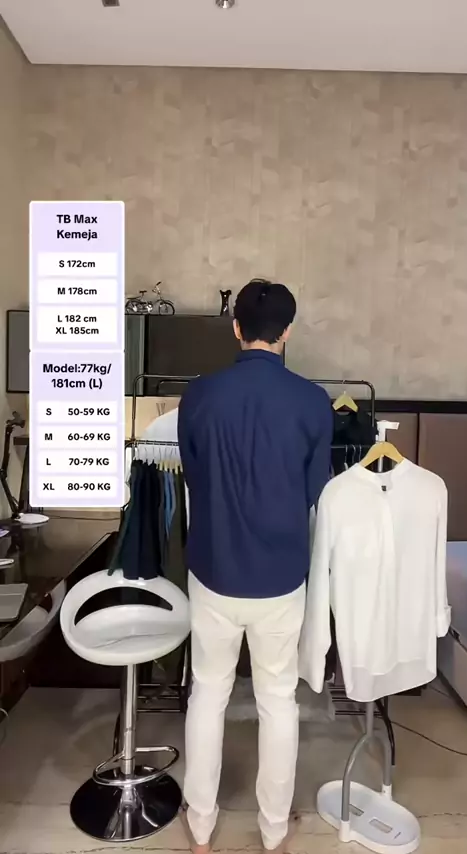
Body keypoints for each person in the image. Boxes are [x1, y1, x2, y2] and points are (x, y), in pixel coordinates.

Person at [178, 279, 333, 854]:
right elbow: (314, 492)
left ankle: (200, 824)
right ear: (287, 332)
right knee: (277, 699)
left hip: (213, 570)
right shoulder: (312, 402)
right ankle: (273, 830)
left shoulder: (198, 396)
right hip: (281, 577)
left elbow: (195, 477)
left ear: (236, 327)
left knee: (208, 692)